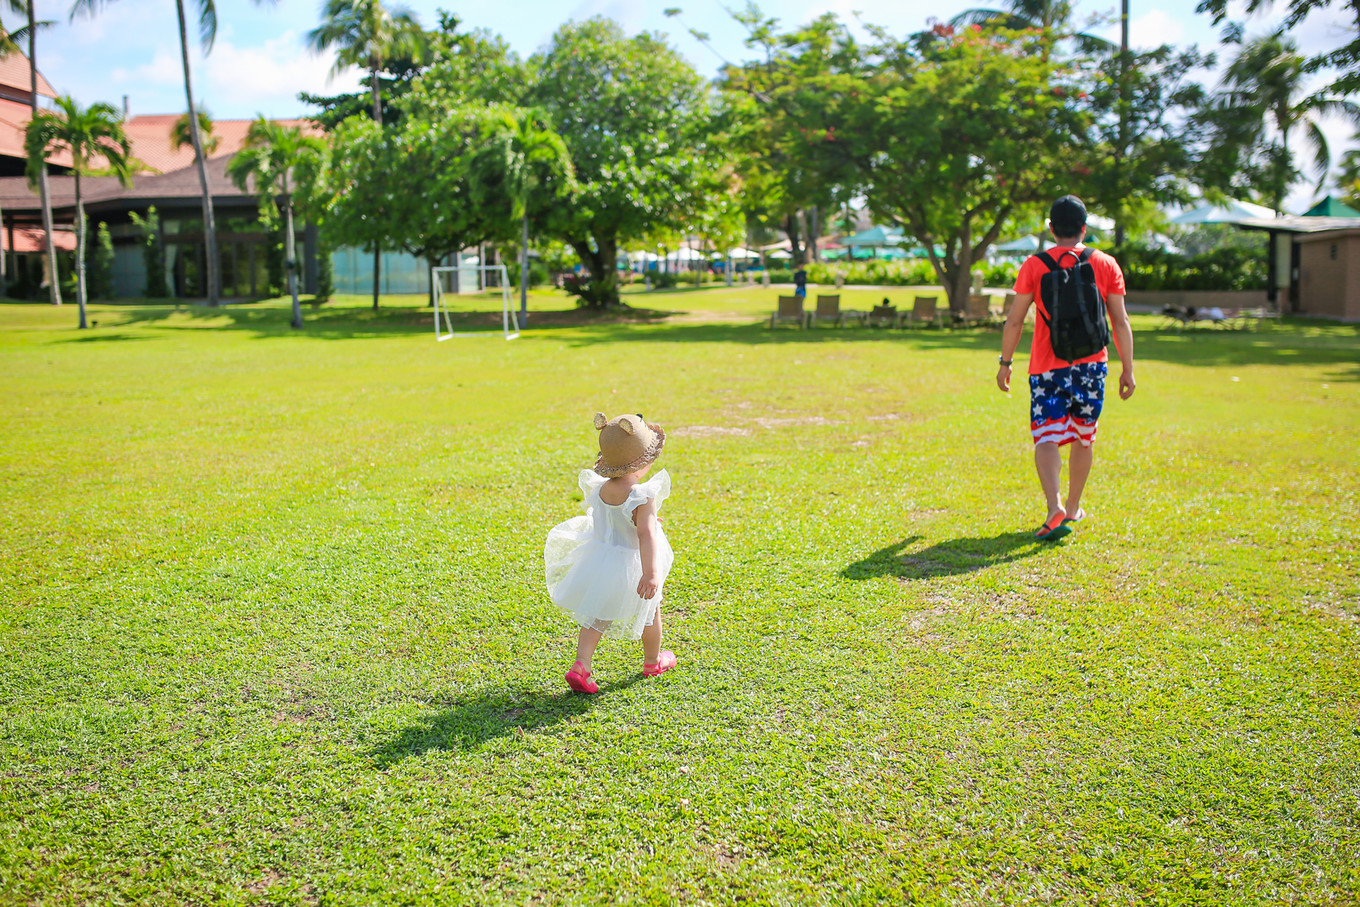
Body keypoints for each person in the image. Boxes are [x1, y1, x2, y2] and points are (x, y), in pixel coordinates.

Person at [995, 195, 1136, 541]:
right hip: (1091, 367)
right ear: (1084, 228)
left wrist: (1005, 362)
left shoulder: (1034, 265)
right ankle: (1073, 506)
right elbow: (1120, 321)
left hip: (1046, 367)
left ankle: (1053, 506)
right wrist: (1128, 369)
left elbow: (1015, 322)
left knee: (1046, 436)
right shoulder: (1105, 264)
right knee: (1083, 436)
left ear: (1051, 228)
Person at [545, 412, 676, 693]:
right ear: (643, 461)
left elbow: (615, 519)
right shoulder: (643, 494)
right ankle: (653, 661)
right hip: (633, 566)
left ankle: (582, 665)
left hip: (602, 563)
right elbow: (645, 534)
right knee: (651, 611)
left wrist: (645, 519)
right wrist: (651, 573)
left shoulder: (601, 488)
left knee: (597, 615)